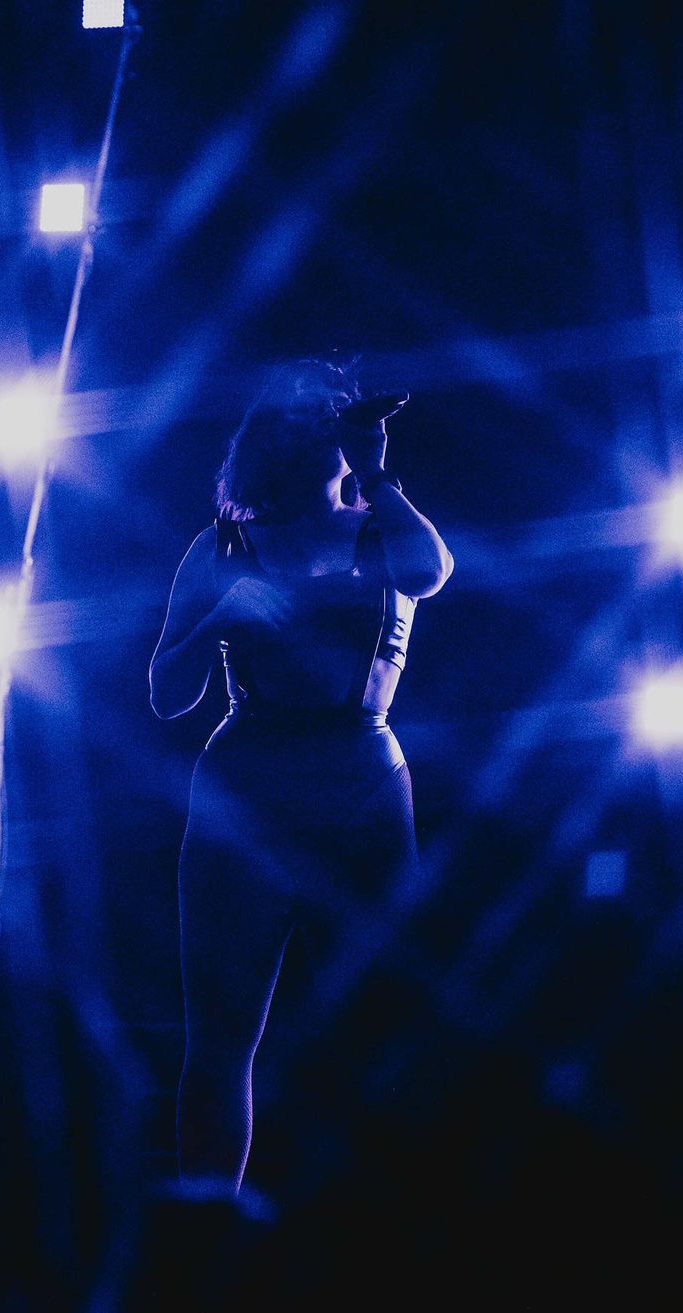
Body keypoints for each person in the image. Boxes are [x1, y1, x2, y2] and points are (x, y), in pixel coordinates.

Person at [148, 355, 454, 1197]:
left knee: (386, 1024)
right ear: (269, 434)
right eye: (300, 410)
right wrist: (220, 613)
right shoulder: (222, 546)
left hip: (362, 777)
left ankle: (388, 1228)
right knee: (221, 1038)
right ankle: (208, 1225)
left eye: (331, 409)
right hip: (247, 784)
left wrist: (375, 470)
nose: (317, 421)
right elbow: (166, 694)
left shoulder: (381, 527)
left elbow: (430, 572)